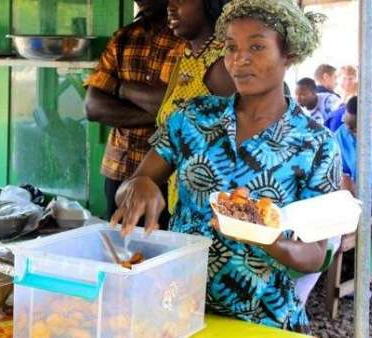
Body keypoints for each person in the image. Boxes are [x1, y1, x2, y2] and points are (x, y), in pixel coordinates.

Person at [112, 0, 338, 333]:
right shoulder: (193, 117)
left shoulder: (316, 144)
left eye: (257, 47)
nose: (239, 59)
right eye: (231, 47)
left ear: (288, 53)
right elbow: (132, 186)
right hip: (179, 304)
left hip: (263, 317)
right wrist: (139, 186)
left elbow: (316, 254)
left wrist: (267, 239)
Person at [84, 0, 186, 224]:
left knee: (165, 251)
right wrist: (170, 117)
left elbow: (184, 106)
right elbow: (93, 106)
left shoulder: (190, 39)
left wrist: (120, 88)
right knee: (123, 251)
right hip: (120, 170)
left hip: (170, 176)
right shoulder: (124, 37)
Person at [157, 0, 236, 214]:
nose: (170, 7)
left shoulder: (221, 64)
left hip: (213, 211)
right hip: (181, 201)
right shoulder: (188, 56)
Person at [336, 94, 372, 213]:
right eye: (346, 124)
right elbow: (342, 173)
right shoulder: (342, 135)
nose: (348, 130)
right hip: (360, 190)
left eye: (354, 127)